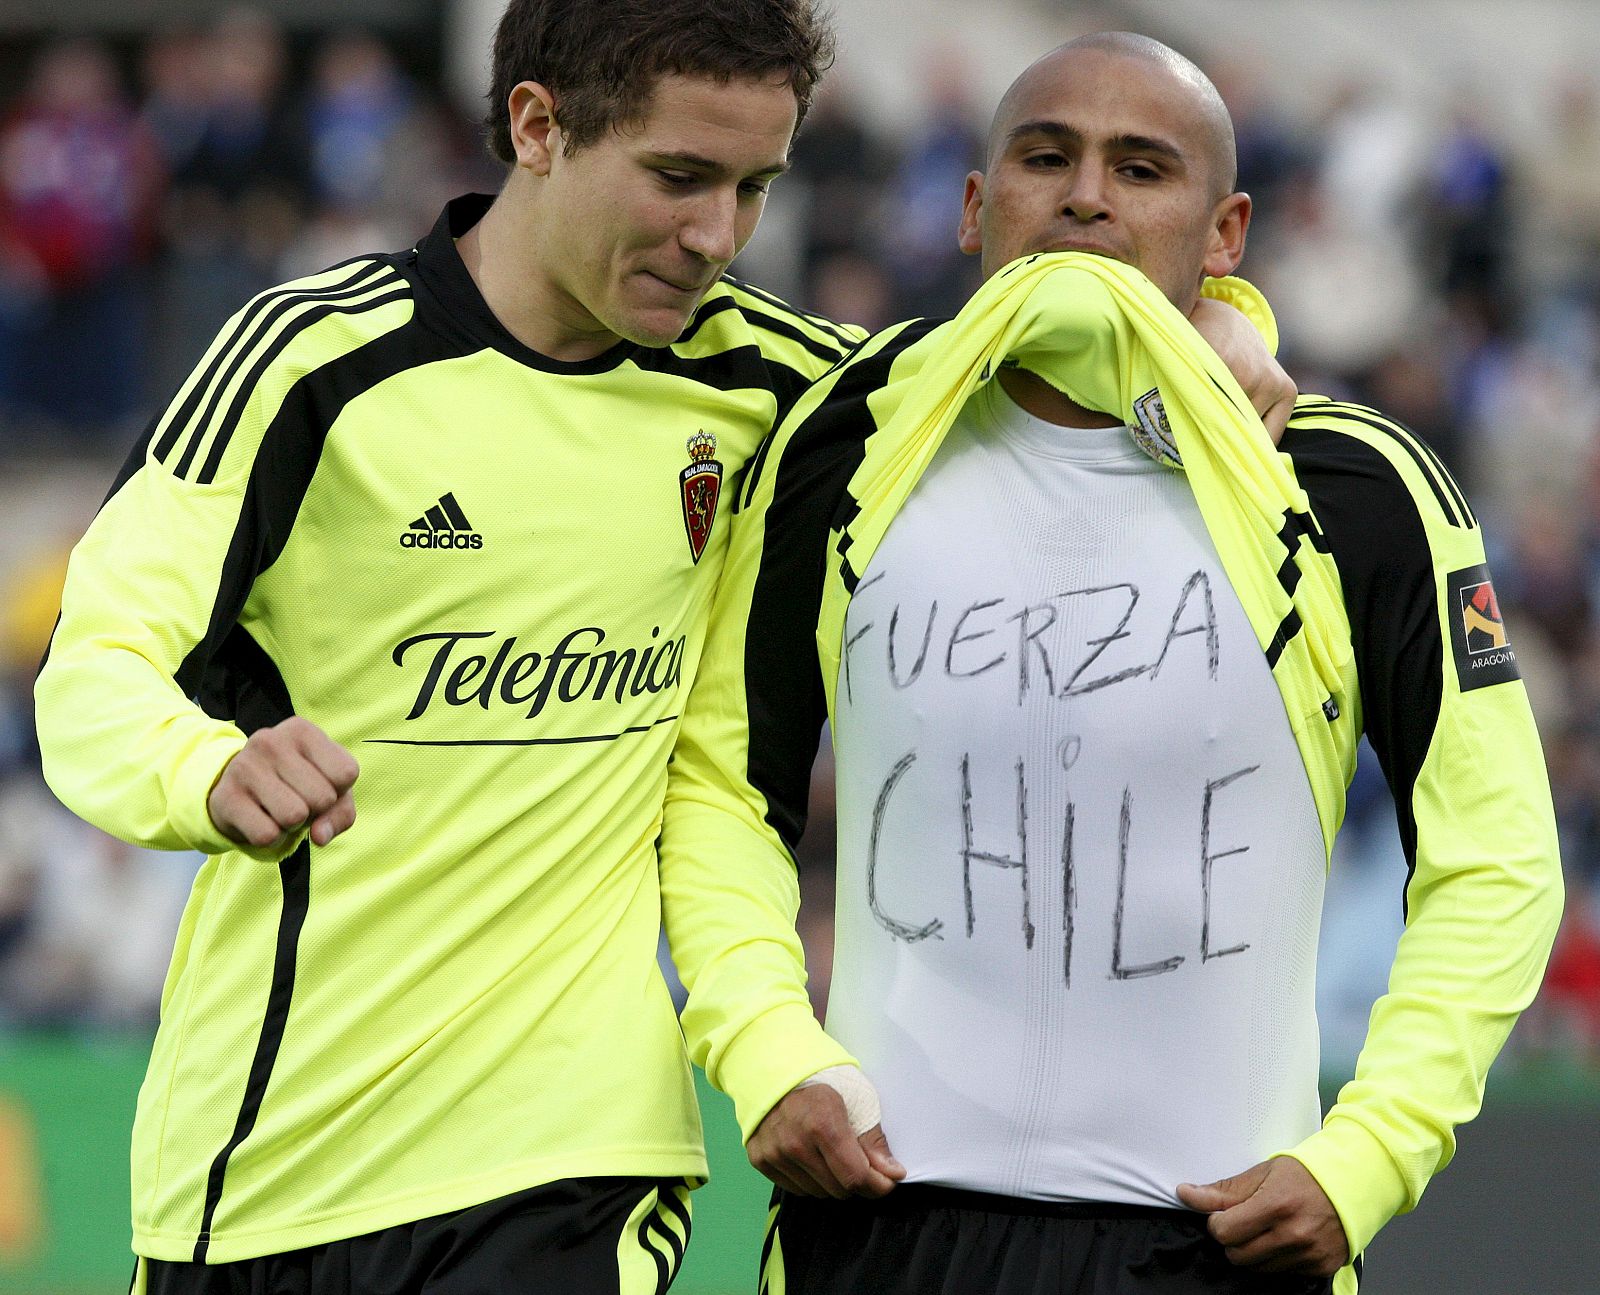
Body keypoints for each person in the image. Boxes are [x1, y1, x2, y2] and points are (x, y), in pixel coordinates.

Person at [659, 32, 1563, 1294]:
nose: (1085, 194)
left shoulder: (1353, 489)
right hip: (874, 1229)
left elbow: (1497, 860)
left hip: (1216, 1243)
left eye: (1142, 169)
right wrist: (766, 1047)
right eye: (1045, 156)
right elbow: (717, 791)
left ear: (1225, 230)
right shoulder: (839, 442)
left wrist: (1368, 1154)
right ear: (976, 207)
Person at [34, 1, 886, 1288]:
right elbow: (93, 665)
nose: (717, 235)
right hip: (266, 1162)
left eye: (754, 187)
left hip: (571, 1161)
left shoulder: (778, 386)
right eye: (677, 176)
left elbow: (1038, 397)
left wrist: (1224, 327)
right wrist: (200, 767)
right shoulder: (310, 364)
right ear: (537, 125)